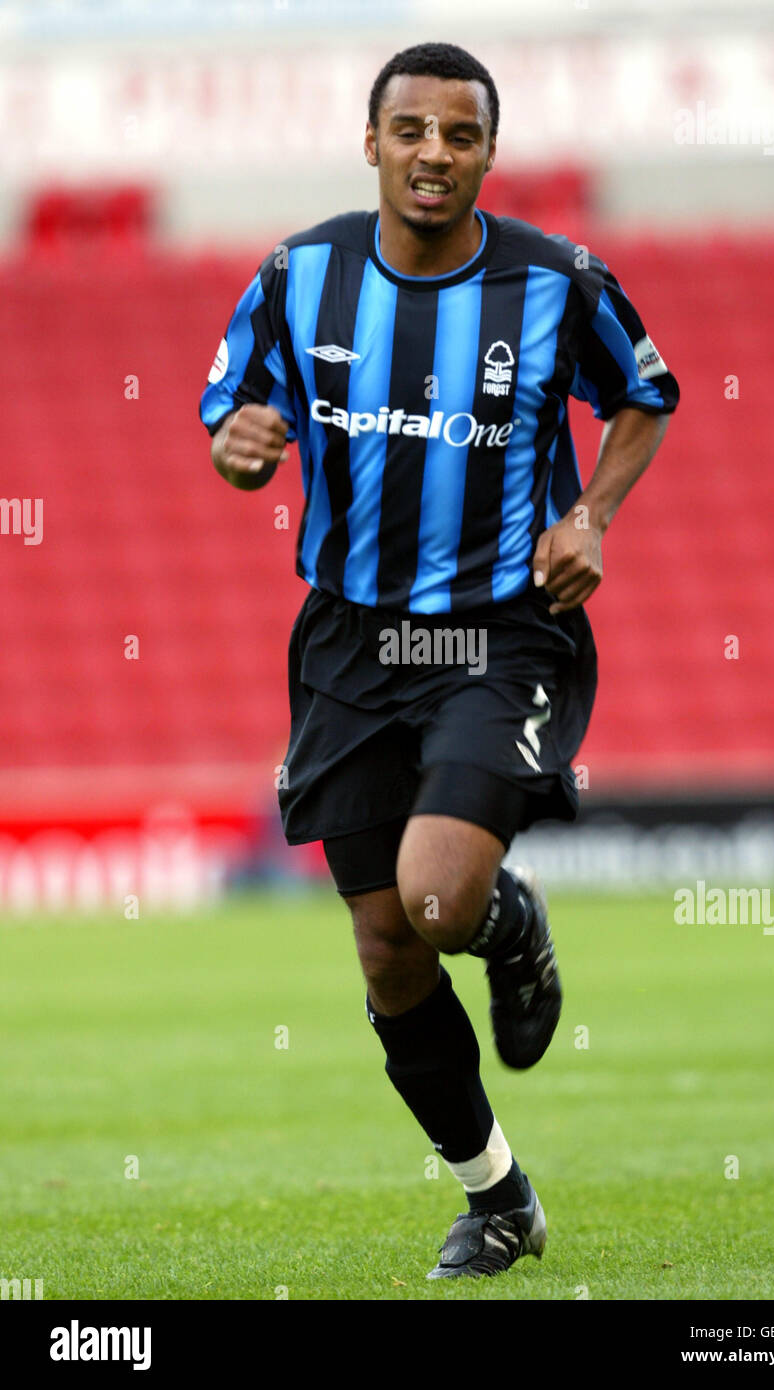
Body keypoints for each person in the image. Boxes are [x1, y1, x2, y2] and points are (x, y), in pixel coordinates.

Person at [199, 40, 679, 1280]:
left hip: (494, 631)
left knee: (436, 895)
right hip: (349, 643)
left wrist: (591, 518)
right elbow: (233, 426)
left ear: (485, 155)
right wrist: (240, 451)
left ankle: (504, 917)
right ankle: (498, 1198)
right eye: (408, 130)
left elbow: (646, 391)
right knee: (384, 948)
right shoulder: (297, 276)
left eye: (457, 136)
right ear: (371, 142)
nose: (431, 154)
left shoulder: (557, 280)